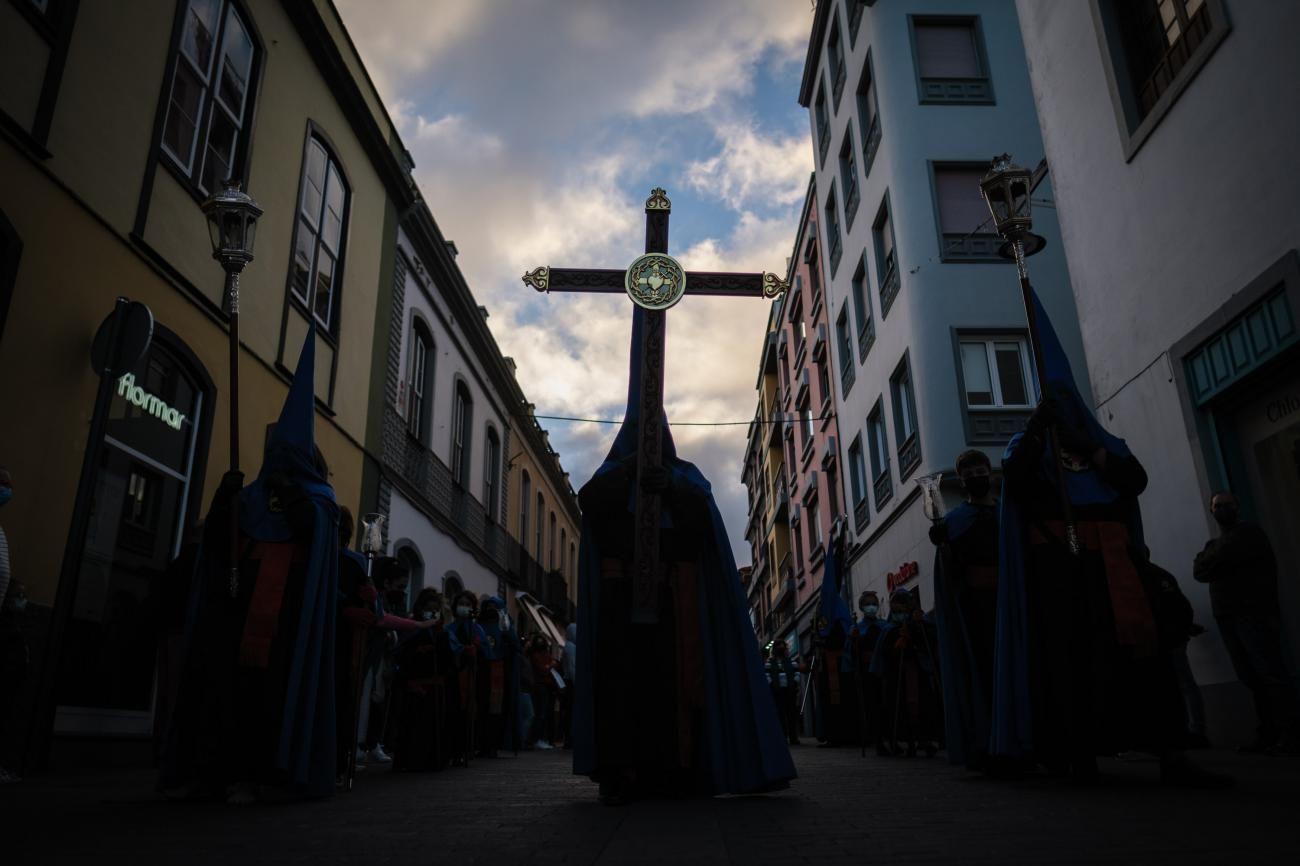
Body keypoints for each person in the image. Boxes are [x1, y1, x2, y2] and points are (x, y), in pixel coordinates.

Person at [992, 292, 1228, 788]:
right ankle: (1079, 757)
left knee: (1149, 661)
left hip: (1120, 569)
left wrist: (1090, 449)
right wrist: (1038, 428)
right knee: (1073, 665)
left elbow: (1133, 479)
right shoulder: (1028, 447)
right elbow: (1015, 481)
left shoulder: (1102, 443)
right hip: (1063, 573)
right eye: (1056, 403)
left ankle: (1171, 754)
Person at [572, 307, 795, 805]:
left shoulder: (688, 475)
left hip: (679, 603)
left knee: (680, 686)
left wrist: (669, 483)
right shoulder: (611, 476)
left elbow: (703, 521)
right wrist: (629, 471)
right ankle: (623, 772)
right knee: (622, 686)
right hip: (621, 602)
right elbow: (591, 506)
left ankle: (682, 769)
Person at [160, 326, 340, 804]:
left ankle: (260, 774)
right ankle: (211, 771)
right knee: (219, 696)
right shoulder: (251, 496)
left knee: (267, 701)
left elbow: (315, 538)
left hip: (283, 626)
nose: (277, 459)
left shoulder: (318, 501)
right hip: (233, 615)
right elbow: (219, 543)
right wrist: (226, 497)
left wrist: (288, 493)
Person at [1194, 491, 1300, 754]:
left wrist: (1214, 558)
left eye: (1226, 505)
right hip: (1229, 618)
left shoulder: (1249, 535)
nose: (1221, 510)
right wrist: (1214, 558)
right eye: (1217, 506)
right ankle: (1268, 733)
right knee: (1250, 677)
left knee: (1270, 674)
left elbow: (1216, 559)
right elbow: (1200, 570)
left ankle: (1290, 734)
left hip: (1253, 614)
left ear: (1237, 509)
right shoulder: (1215, 545)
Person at [930, 449, 1000, 770]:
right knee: (983, 676)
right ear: (961, 481)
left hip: (1008, 607)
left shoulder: (1007, 513)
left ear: (990, 472)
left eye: (979, 471)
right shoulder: (956, 520)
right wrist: (945, 546)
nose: (975, 478)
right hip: (977, 613)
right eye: (968, 475)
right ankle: (987, 744)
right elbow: (951, 574)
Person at [1137, 545, 1209, 749]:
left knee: (1173, 687)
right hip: (1173, 637)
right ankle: (1194, 732)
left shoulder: (1142, 576)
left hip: (1162, 638)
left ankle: (1182, 734)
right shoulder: (1160, 574)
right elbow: (1180, 605)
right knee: (1184, 685)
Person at [872, 589, 940, 757]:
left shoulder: (918, 625)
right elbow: (884, 653)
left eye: (901, 610)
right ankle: (902, 741)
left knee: (921, 706)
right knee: (898, 707)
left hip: (917, 673)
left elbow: (928, 643)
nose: (898, 614)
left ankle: (924, 740)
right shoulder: (888, 629)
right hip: (896, 676)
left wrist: (916, 630)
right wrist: (897, 645)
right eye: (895, 611)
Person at [391, 588, 454, 771]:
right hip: (415, 687)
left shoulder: (442, 633)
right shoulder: (412, 629)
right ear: (421, 608)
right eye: (429, 608)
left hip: (436, 688)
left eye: (436, 609)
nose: (432, 612)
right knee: (414, 727)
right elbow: (403, 657)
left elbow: (447, 661)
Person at [474, 595, 520, 758]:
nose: (491, 610)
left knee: (495, 709)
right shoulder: (478, 625)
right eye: (489, 607)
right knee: (480, 708)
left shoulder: (505, 625)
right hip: (481, 670)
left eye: (495, 607)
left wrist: (508, 634)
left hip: (499, 672)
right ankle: (480, 744)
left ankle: (492, 744)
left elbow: (515, 646)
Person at [446, 591, 485, 767]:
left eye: (468, 604)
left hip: (472, 677)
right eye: (461, 603)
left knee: (468, 714)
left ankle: (465, 749)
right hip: (454, 676)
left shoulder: (477, 629)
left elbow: (485, 652)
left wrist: (476, 649)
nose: (464, 607)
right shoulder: (450, 629)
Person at [851, 591, 887, 756]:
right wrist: (855, 641)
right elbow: (851, 653)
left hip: (886, 670)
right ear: (861, 607)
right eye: (867, 604)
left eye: (873, 603)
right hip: (867, 672)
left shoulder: (884, 625)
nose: (871, 606)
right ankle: (878, 740)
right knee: (873, 705)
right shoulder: (856, 628)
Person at [766, 639, 799, 745]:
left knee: (791, 714)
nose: (781, 647)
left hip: (790, 691)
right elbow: (766, 675)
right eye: (778, 645)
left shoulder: (791, 660)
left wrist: (794, 683)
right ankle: (783, 737)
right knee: (780, 715)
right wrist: (772, 685)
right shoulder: (769, 662)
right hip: (777, 692)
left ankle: (793, 738)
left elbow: (797, 673)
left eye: (782, 645)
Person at [528, 633, 557, 750]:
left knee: (543, 713)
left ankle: (540, 739)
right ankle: (536, 739)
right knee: (540, 713)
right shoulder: (537, 655)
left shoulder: (542, 654)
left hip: (546, 686)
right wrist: (551, 665)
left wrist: (550, 665)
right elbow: (543, 668)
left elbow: (550, 665)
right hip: (540, 686)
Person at [560, 622, 577, 749]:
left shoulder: (569, 646)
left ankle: (569, 739)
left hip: (568, 683)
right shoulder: (571, 647)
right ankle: (569, 739)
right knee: (571, 711)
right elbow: (572, 668)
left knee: (569, 711)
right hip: (570, 683)